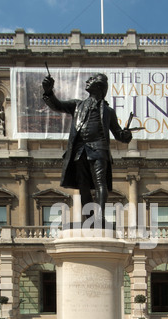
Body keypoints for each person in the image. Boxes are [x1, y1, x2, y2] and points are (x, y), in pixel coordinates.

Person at [42, 73, 132, 224]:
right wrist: (48, 91)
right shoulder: (77, 105)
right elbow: (57, 105)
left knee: (100, 183)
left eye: (92, 80)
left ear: (98, 86)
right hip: (79, 150)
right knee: (82, 185)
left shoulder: (108, 112)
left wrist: (127, 135)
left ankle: (100, 217)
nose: (87, 81)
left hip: (99, 148)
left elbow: (119, 134)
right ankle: (89, 219)